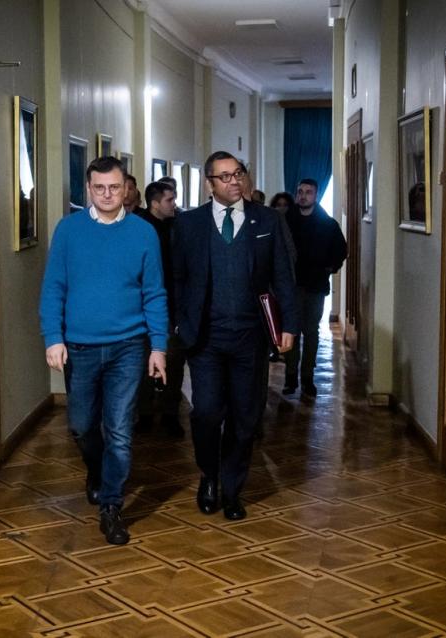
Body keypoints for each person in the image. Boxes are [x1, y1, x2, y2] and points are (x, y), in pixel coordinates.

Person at [40, 156, 168, 545]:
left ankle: (111, 506)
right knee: (81, 425)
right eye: (100, 188)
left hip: (128, 346)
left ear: (126, 188)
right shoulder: (69, 230)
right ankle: (97, 471)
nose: (108, 194)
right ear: (88, 189)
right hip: (79, 346)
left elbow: (155, 293)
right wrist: (53, 337)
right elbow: (53, 288)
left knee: (119, 430)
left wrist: (158, 347)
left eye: (115, 187)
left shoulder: (144, 233)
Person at [172, 151, 298, 520]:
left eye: (238, 174)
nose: (233, 181)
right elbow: (177, 276)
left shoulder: (267, 220)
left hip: (250, 337)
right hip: (206, 338)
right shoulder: (190, 224)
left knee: (245, 417)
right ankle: (208, 475)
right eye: (224, 176)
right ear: (209, 183)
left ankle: (231, 489)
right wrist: (180, 321)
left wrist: (289, 325)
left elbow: (283, 276)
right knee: (207, 413)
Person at [283, 178, 347, 397]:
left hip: (315, 286)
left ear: (316, 196)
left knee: (311, 332)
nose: (303, 195)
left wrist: (329, 268)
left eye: (308, 192)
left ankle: (307, 377)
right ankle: (290, 377)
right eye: (300, 191)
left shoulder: (327, 224)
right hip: (290, 285)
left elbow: (341, 250)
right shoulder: (286, 221)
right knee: (290, 330)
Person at [134, 181, 186, 437]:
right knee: (143, 361)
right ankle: (144, 414)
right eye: (169, 200)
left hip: (173, 305)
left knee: (174, 362)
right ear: (155, 203)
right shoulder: (138, 228)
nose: (174, 204)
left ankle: (170, 414)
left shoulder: (178, 227)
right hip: (143, 306)